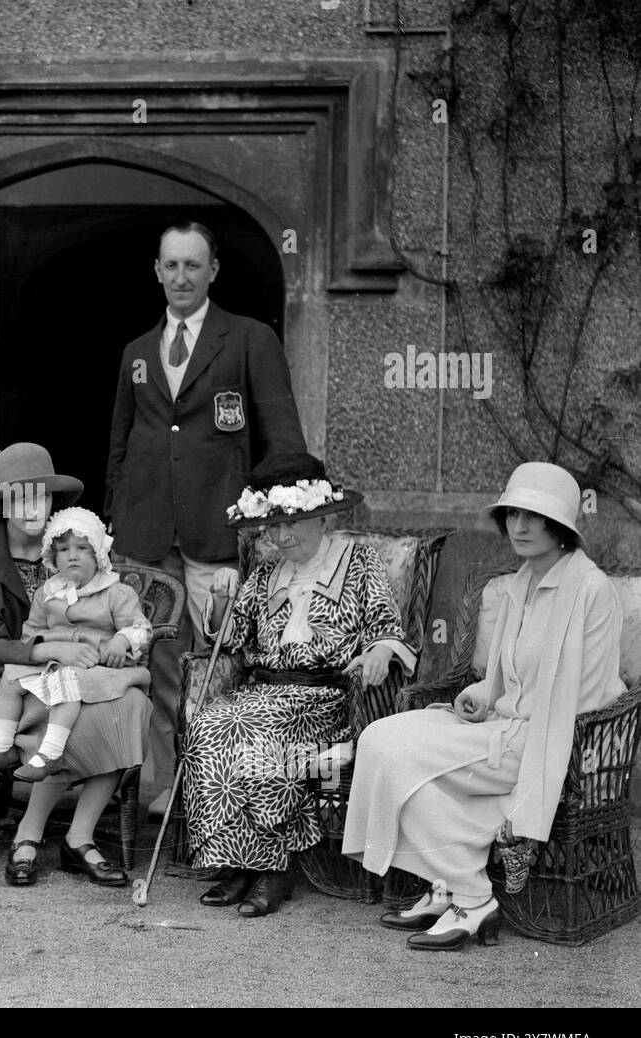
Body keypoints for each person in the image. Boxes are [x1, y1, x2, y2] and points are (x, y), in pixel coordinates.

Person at [343, 463, 625, 951]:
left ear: (561, 527)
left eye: (534, 516)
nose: (519, 526)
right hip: (498, 729)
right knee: (379, 743)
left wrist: (527, 780)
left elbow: (583, 699)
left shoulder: (590, 589)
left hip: (546, 744)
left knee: (397, 759)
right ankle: (456, 888)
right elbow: (502, 679)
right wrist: (480, 698)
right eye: (513, 514)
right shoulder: (520, 582)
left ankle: (463, 893)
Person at [106, 222, 307, 821]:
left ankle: (226, 796)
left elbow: (283, 433)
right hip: (146, 533)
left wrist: (277, 518)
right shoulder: (137, 351)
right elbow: (121, 444)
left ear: (213, 271)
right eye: (171, 266)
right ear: (157, 271)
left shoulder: (247, 338)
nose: (181, 278)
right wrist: (118, 515)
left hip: (219, 530)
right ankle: (161, 796)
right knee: (157, 663)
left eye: (193, 266)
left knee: (227, 662)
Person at [181, 452, 414, 917]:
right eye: (272, 527)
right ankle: (239, 860)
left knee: (255, 732)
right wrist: (222, 597)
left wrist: (381, 652)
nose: (281, 536)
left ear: (320, 517)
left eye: (293, 524)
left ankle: (278, 865)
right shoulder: (266, 573)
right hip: (263, 689)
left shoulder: (360, 562)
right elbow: (229, 638)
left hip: (327, 698)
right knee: (209, 724)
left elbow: (389, 628)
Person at [0, 443, 152, 887]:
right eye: (19, 497)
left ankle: (78, 835)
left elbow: (120, 612)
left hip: (90, 678)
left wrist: (111, 645)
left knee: (126, 708)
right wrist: (53, 648)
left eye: (41, 497)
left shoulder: (76, 549)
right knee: (82, 710)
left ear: (54, 504)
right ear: (2, 503)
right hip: (24, 684)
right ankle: (32, 831)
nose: (31, 508)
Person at [0, 506, 151, 782]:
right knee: (10, 676)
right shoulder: (49, 594)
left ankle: (50, 753)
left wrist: (121, 640)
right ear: (54, 558)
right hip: (53, 662)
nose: (73, 555)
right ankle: (2, 748)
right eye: (64, 550)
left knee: (67, 682)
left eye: (82, 548)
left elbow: (140, 627)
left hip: (96, 665)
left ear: (99, 554)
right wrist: (40, 648)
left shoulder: (115, 592)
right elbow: (32, 632)